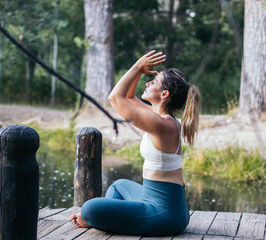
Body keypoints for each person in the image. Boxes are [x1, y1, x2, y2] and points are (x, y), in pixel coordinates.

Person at [70, 50, 201, 236]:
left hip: (165, 214)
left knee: (90, 208)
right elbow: (129, 98)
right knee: (118, 185)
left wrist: (138, 65)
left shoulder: (162, 125)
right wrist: (140, 71)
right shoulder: (160, 118)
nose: (148, 83)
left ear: (164, 94)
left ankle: (97, 218)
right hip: (155, 202)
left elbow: (115, 98)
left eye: (153, 82)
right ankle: (106, 219)